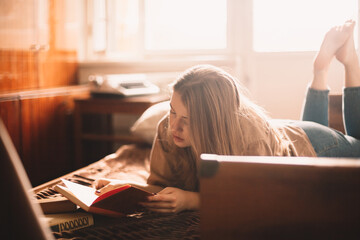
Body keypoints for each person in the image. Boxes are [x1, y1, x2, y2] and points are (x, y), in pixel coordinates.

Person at [95, 20, 360, 214]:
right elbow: (160, 187)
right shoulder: (169, 126)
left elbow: (262, 200)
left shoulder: (250, 140)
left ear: (214, 121)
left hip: (315, 145)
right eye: (173, 111)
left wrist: (192, 200)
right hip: (284, 132)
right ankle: (321, 71)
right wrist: (125, 189)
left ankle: (346, 62)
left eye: (187, 120)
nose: (174, 126)